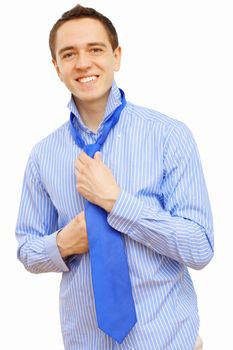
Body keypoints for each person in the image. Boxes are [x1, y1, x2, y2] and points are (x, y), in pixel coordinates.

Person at [15, 4, 213, 350]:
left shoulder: (169, 135)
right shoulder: (42, 155)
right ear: (56, 67)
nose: (83, 63)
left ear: (116, 56)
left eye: (95, 49)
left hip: (167, 341)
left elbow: (200, 247)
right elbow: (27, 248)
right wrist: (63, 243)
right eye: (69, 54)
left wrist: (117, 203)